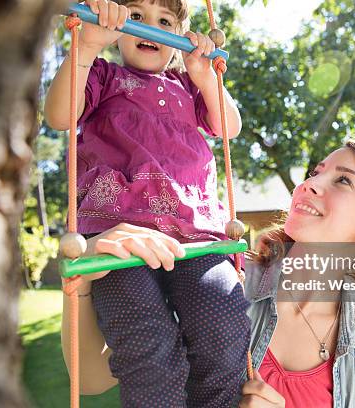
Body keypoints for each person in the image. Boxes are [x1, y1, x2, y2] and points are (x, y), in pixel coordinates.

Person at [62, 140, 355, 407]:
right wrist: (85, 279)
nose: (310, 184)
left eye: (342, 180)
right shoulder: (220, 284)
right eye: (316, 172)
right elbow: (94, 379)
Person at [46, 0, 250, 406]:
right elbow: (58, 117)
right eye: (135, 16)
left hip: (195, 238)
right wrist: (85, 48)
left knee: (224, 328)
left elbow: (231, 129)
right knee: (147, 342)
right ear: (117, 30)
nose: (149, 28)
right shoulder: (104, 77)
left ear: (176, 38)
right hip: (120, 238)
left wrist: (206, 78)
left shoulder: (189, 87)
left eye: (164, 21)